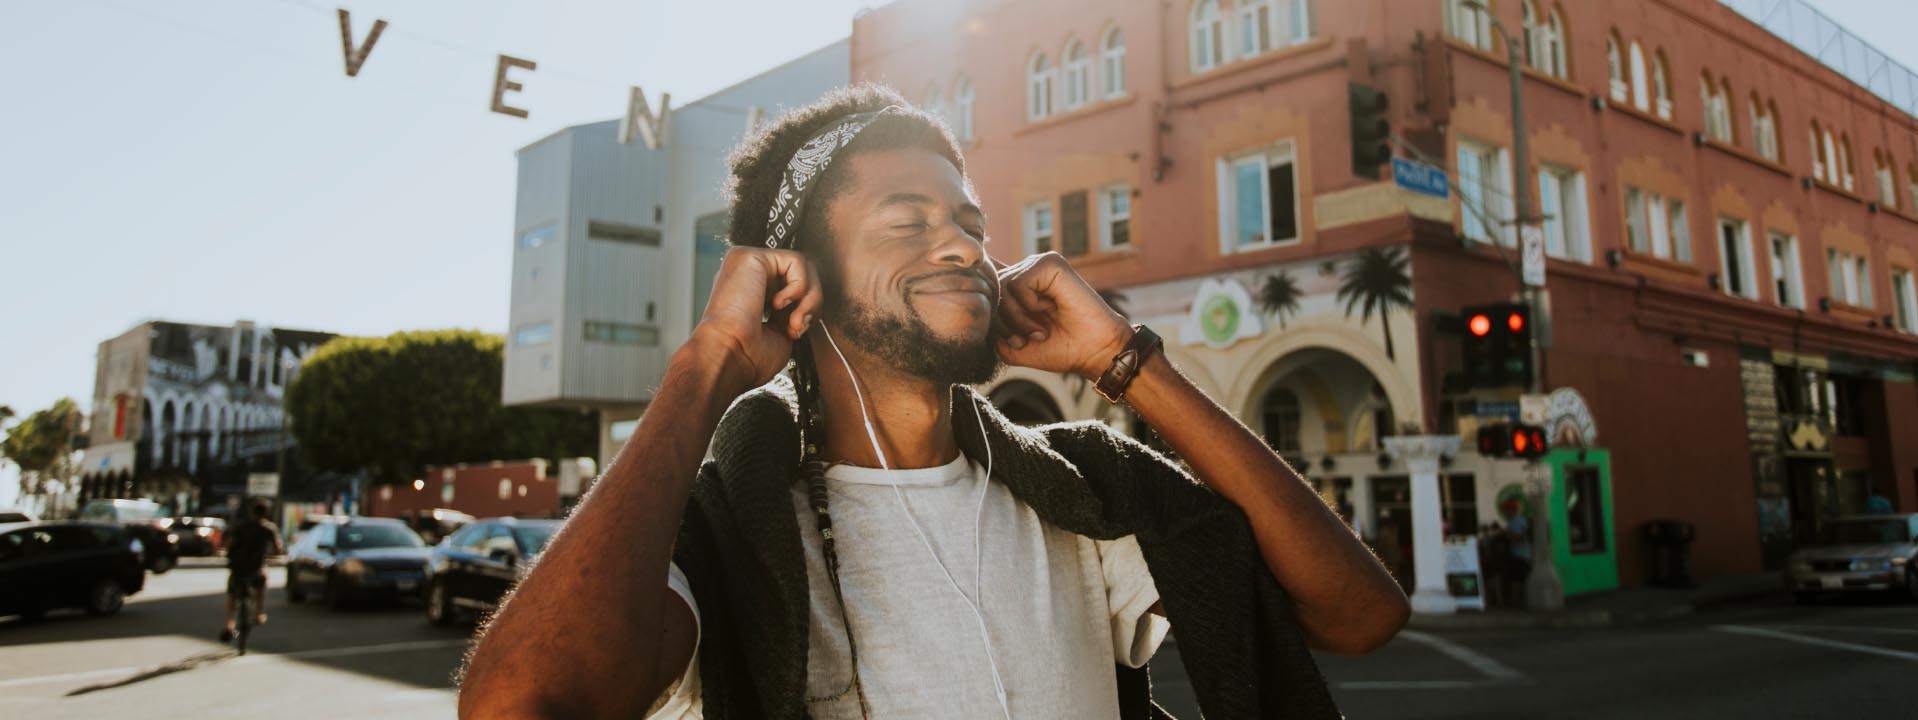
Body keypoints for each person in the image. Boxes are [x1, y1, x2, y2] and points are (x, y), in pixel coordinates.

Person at [457, 85, 1408, 719]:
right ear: (800, 278)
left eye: (969, 224)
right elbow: (519, 704)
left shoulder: (1083, 493)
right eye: (907, 221)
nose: (960, 246)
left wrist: (1126, 360)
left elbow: (1360, 618)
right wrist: (707, 365)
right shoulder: (728, 533)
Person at [220, 499, 282, 642]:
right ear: (266, 513)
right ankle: (259, 612)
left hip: (237, 566)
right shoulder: (268, 528)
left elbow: (229, 542)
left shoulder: (241, 526)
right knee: (262, 582)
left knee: (232, 595)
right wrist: (275, 554)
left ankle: (229, 624)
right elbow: (277, 548)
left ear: (251, 512)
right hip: (256, 567)